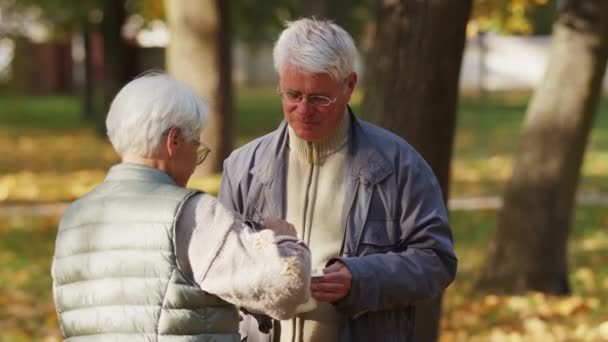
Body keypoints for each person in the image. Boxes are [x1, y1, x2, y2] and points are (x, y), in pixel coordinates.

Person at [218, 18, 457, 341]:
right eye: (292, 94)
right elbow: (220, 267)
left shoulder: (399, 164)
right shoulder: (242, 167)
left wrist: (359, 279)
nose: (303, 110)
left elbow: (436, 261)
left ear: (350, 86)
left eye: (319, 98)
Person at [51, 73, 312, 341]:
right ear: (174, 140)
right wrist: (283, 241)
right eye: (196, 146)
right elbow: (286, 286)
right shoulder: (192, 214)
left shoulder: (74, 217)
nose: (195, 161)